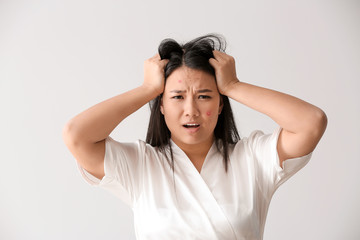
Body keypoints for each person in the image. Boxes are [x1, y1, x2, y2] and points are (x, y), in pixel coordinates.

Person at [63, 34, 327, 240]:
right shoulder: (139, 165)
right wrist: (147, 88)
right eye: (177, 97)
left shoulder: (253, 159)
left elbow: (311, 122)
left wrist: (234, 85)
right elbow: (77, 135)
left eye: (204, 96)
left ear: (221, 104)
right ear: (161, 105)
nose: (191, 110)